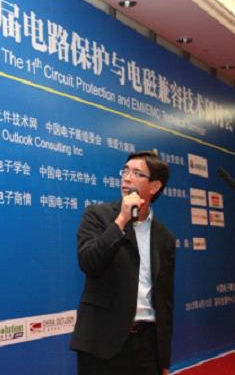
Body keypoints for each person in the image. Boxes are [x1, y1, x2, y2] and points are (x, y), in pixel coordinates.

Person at [70, 150, 176, 375]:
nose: (127, 178)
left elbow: (165, 300)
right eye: (125, 171)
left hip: (147, 345)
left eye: (137, 173)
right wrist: (121, 220)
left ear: (154, 186)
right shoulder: (97, 216)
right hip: (102, 342)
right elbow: (89, 262)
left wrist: (164, 359)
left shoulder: (165, 237)